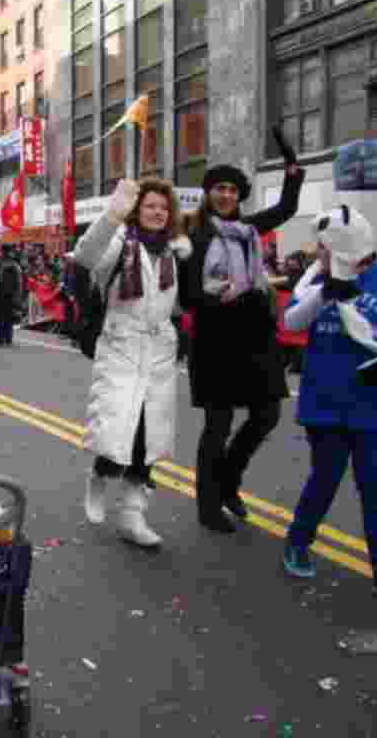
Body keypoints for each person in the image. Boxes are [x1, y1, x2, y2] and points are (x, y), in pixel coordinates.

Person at [280, 206, 377, 609]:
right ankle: (298, 541)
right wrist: (322, 294)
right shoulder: (318, 280)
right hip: (325, 403)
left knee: (376, 487)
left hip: (372, 405)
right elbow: (292, 322)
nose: (317, 252)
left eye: (323, 246)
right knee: (326, 477)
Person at [178, 134, 306, 533]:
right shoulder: (192, 236)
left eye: (232, 190)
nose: (226, 195)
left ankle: (229, 480)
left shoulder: (248, 230)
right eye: (219, 188)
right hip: (215, 338)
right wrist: (222, 299)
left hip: (254, 336)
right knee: (217, 425)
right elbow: (187, 295)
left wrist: (291, 168)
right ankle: (208, 505)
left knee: (267, 414)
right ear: (208, 193)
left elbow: (286, 207)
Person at [75, 178, 193, 547]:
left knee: (147, 437)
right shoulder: (117, 244)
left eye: (163, 207)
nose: (158, 213)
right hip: (121, 346)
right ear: (136, 209)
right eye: (150, 206)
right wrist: (111, 217)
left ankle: (133, 513)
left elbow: (176, 303)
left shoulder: (176, 254)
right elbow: (84, 256)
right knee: (114, 427)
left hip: (158, 350)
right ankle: (100, 474)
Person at [0, 245, 22, 347]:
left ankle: (2, 339)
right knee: (5, 317)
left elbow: (18, 282)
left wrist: (17, 295)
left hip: (6, 294)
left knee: (4, 317)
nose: (4, 253)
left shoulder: (8, 264)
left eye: (4, 251)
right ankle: (5, 338)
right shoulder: (9, 264)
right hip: (6, 293)